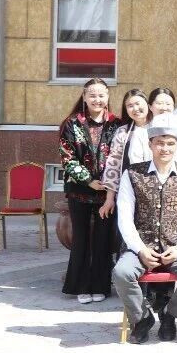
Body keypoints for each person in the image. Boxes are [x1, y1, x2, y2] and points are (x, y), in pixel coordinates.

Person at [112, 118, 177, 344]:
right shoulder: (133, 174)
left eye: (170, 144)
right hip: (141, 246)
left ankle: (169, 315)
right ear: (151, 145)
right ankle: (142, 318)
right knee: (121, 273)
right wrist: (140, 249)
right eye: (160, 143)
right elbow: (124, 217)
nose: (165, 148)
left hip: (176, 246)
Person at [59, 78, 117, 304]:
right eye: (92, 95)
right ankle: (81, 286)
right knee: (81, 239)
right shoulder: (71, 123)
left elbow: (119, 156)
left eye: (101, 95)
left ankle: (101, 285)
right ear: (84, 97)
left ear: (108, 96)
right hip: (79, 191)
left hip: (107, 193)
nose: (97, 99)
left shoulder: (115, 123)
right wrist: (88, 181)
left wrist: (108, 183)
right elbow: (67, 158)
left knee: (103, 240)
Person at [100, 89, 151, 197]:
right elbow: (114, 164)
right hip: (130, 191)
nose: (135, 108)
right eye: (130, 106)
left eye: (138, 103)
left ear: (147, 104)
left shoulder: (159, 127)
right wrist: (109, 198)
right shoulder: (122, 132)